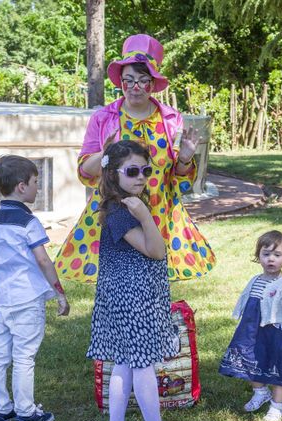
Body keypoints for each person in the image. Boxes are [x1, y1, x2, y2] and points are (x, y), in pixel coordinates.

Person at [55, 33, 216, 283]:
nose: (135, 87)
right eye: (128, 81)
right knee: (121, 282)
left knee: (156, 280)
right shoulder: (103, 118)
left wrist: (184, 159)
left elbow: (178, 177)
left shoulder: (171, 119)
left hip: (161, 212)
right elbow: (86, 172)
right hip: (119, 212)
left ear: (153, 84)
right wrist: (105, 153)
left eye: (143, 81)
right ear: (121, 82)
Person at [86, 140, 179, 421]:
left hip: (117, 294)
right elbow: (155, 251)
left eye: (146, 170)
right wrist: (146, 217)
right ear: (113, 173)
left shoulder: (118, 205)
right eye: (133, 171)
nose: (141, 177)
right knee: (142, 365)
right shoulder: (124, 211)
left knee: (123, 362)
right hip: (134, 297)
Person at [0, 155, 70, 421]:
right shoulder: (28, 222)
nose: (38, 188)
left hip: (6, 298)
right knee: (24, 356)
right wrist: (60, 293)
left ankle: (0, 409)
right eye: (35, 182)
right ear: (22, 187)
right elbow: (44, 261)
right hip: (28, 299)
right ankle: (26, 413)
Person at [219, 230, 282, 421]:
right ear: (258, 256)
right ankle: (260, 391)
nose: (271, 259)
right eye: (266, 254)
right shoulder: (255, 280)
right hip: (253, 329)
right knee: (250, 358)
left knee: (279, 365)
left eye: (277, 255)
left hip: (278, 331)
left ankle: (277, 405)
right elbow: (246, 299)